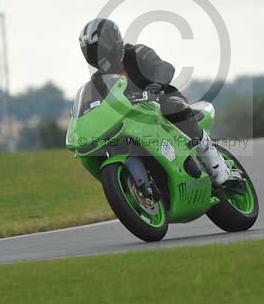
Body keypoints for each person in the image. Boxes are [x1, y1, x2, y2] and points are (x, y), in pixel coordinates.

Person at [78, 18, 241, 186]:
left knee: (175, 107)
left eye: (98, 47)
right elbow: (95, 103)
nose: (96, 53)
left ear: (112, 39)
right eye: (90, 50)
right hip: (132, 117)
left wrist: (156, 84)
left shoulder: (137, 52)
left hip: (161, 99)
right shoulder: (98, 80)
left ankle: (217, 168)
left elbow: (164, 67)